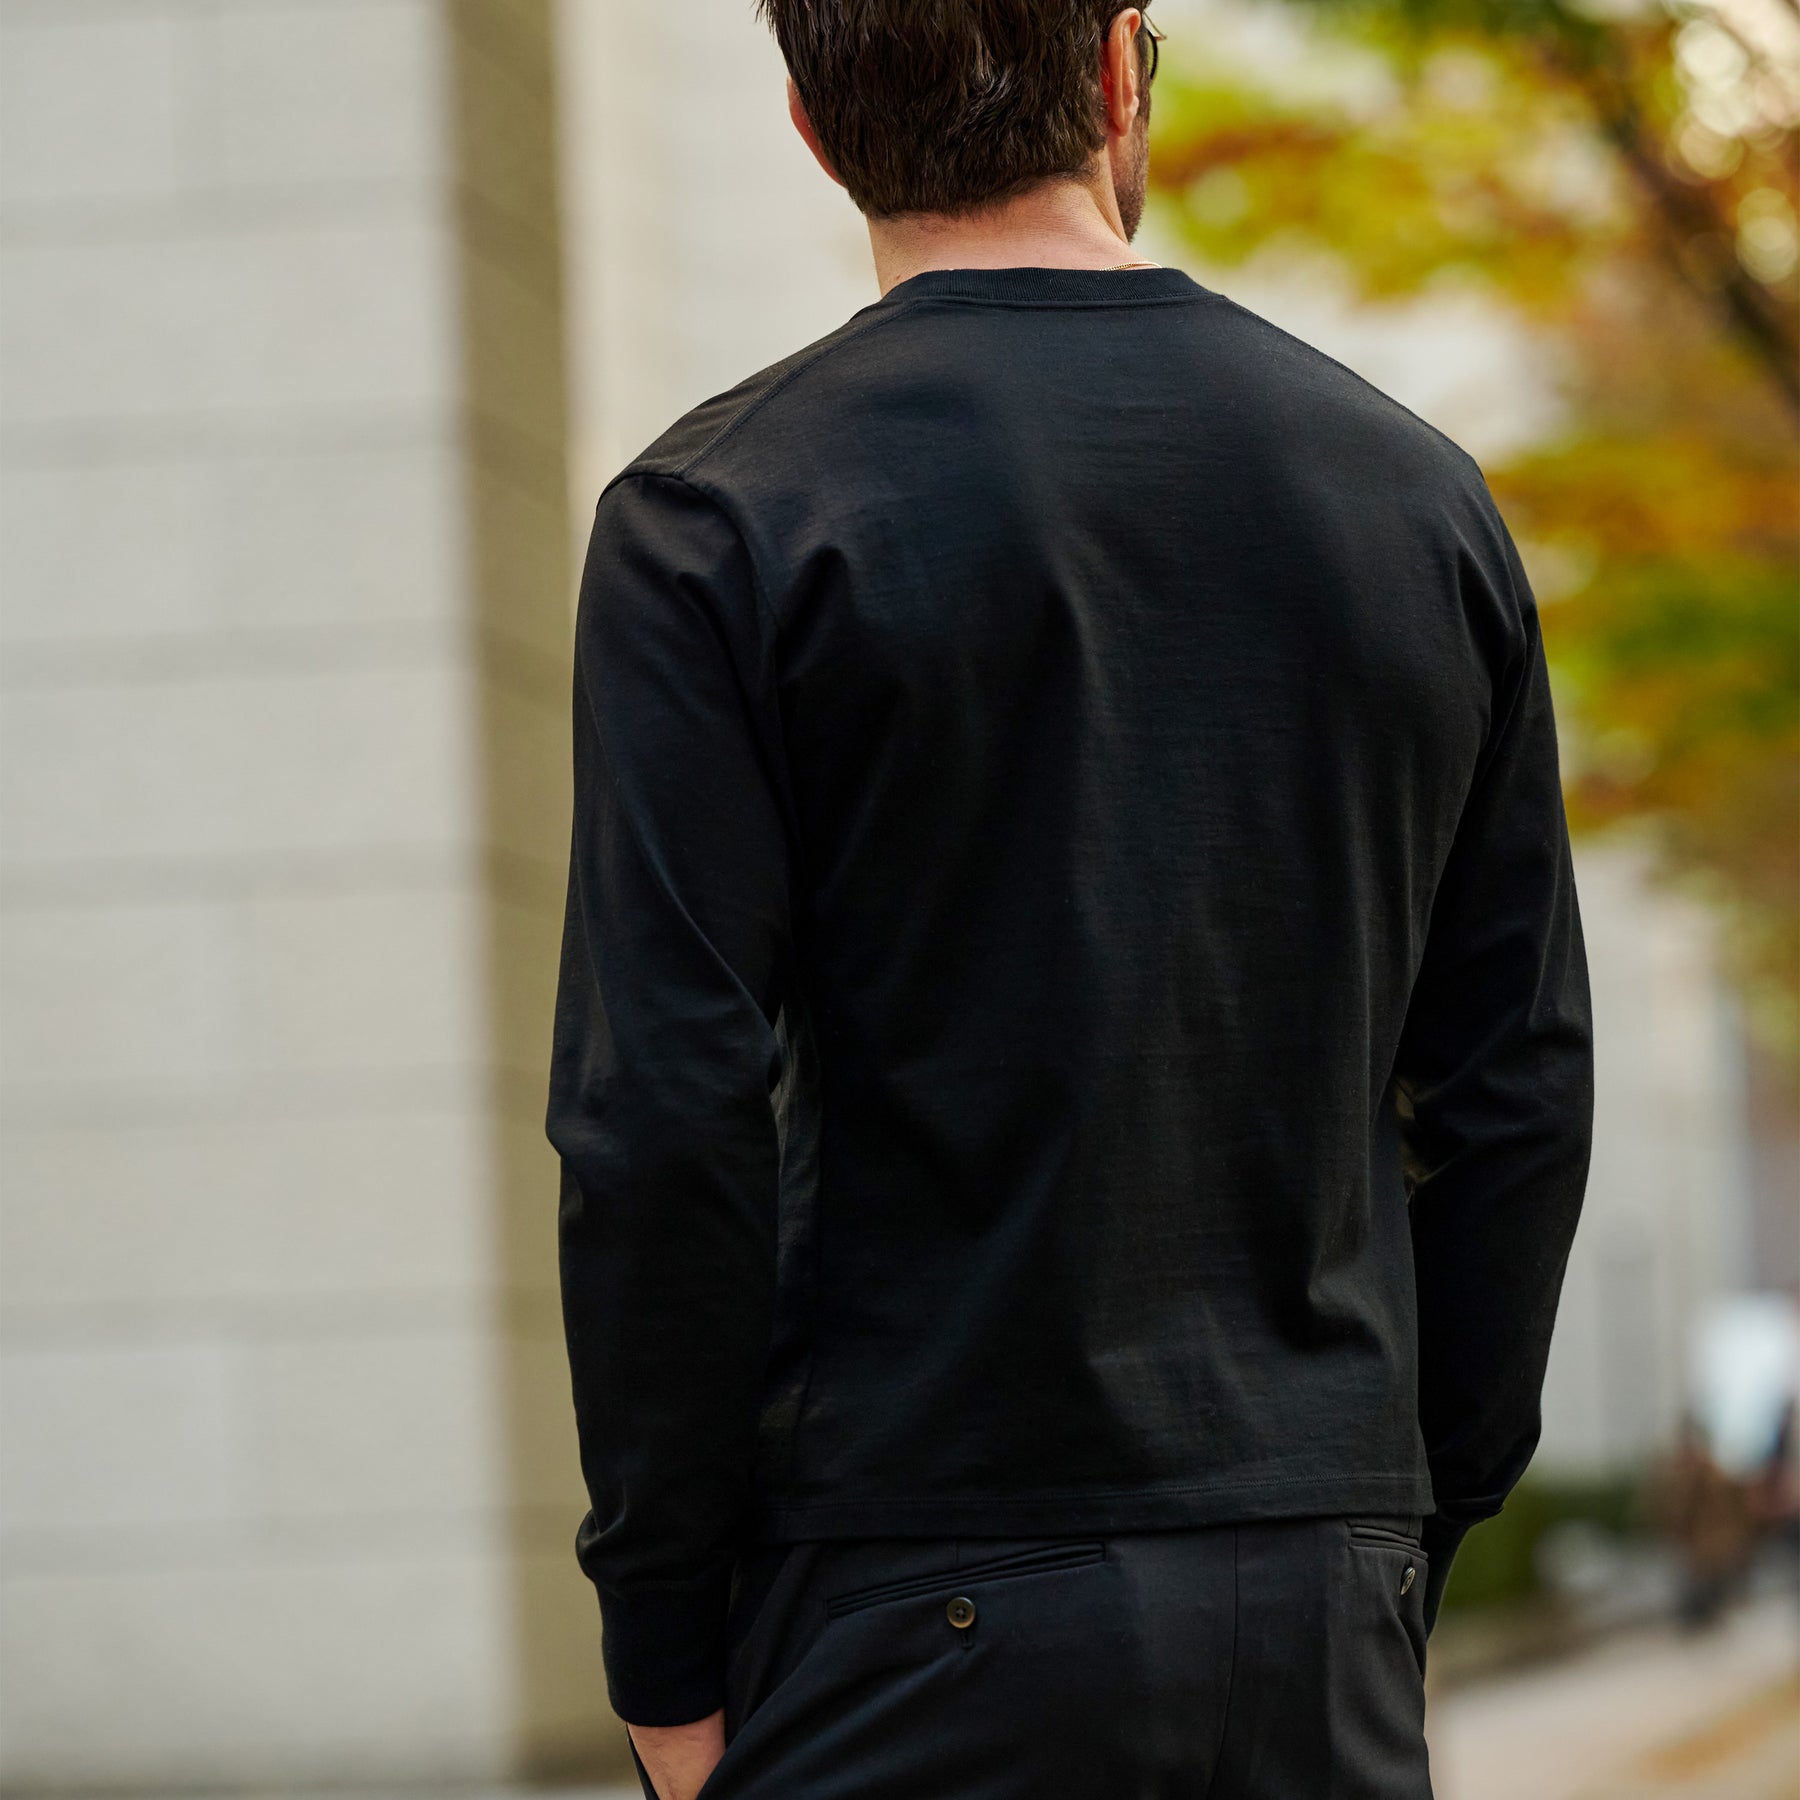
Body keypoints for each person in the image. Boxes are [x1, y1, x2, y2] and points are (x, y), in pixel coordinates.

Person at [544, 4, 1595, 1795]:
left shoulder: (719, 521)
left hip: (904, 1600)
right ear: (1119, 70)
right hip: (1314, 1596)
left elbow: (659, 1119)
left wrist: (661, 1639)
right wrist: (1398, 1517)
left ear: (812, 125)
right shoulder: (1421, 505)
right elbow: (1517, 1092)